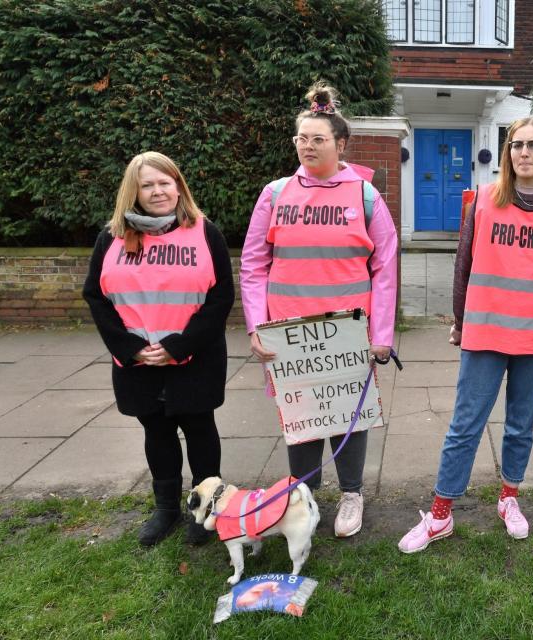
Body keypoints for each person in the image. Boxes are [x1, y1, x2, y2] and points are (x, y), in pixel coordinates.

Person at [398, 117, 533, 554]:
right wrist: (460, 320)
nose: (524, 153)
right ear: (507, 152)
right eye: (517, 144)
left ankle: (509, 498)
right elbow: (463, 264)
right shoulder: (483, 200)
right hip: (487, 329)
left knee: (522, 425)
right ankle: (441, 514)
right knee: (466, 424)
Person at [239, 82, 398, 538]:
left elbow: (385, 267)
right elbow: (253, 264)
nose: (307, 146)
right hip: (288, 333)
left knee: (349, 412)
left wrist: (381, 334)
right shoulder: (274, 194)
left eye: (318, 139)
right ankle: (303, 497)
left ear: (340, 144)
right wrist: (257, 327)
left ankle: (352, 494)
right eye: (301, 139)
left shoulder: (365, 196)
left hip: (347, 332)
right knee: (301, 414)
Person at [82, 151, 234, 547]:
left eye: (165, 182)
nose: (157, 191)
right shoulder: (110, 237)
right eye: (147, 184)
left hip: (194, 357)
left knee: (200, 430)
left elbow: (221, 297)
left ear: (178, 185)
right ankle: (165, 508)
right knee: (157, 430)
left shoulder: (204, 231)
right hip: (138, 362)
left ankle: (206, 510)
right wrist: (131, 348)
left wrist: (179, 346)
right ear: (133, 192)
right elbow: (95, 297)